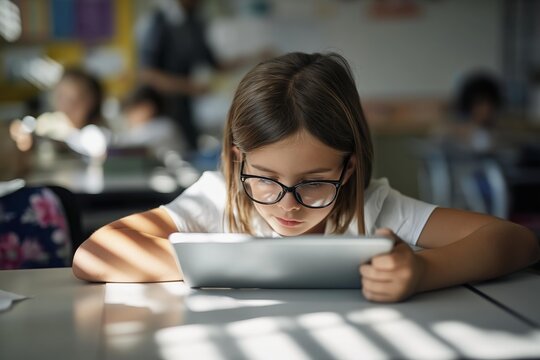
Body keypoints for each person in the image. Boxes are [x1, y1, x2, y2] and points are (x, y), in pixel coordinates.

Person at [72, 52, 539, 303]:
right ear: (238, 163)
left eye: (315, 182)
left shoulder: (369, 206)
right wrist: (231, 264)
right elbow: (94, 256)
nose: (287, 205)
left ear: (348, 167)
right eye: (267, 180)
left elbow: (516, 240)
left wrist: (423, 271)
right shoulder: (220, 197)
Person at [111, 85, 185, 156]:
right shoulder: (138, 130)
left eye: (131, 111)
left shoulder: (163, 126)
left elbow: (133, 145)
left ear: (147, 108)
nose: (128, 117)